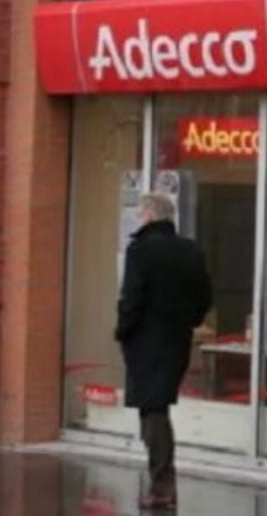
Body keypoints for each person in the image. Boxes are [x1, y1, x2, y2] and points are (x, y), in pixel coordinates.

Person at [116, 193, 212, 511]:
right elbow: (204, 297)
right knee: (156, 406)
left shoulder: (140, 251)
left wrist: (123, 331)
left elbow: (131, 298)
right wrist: (188, 321)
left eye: (141, 213)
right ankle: (161, 483)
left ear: (148, 216)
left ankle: (162, 486)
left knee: (152, 410)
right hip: (176, 341)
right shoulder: (190, 250)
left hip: (145, 342)